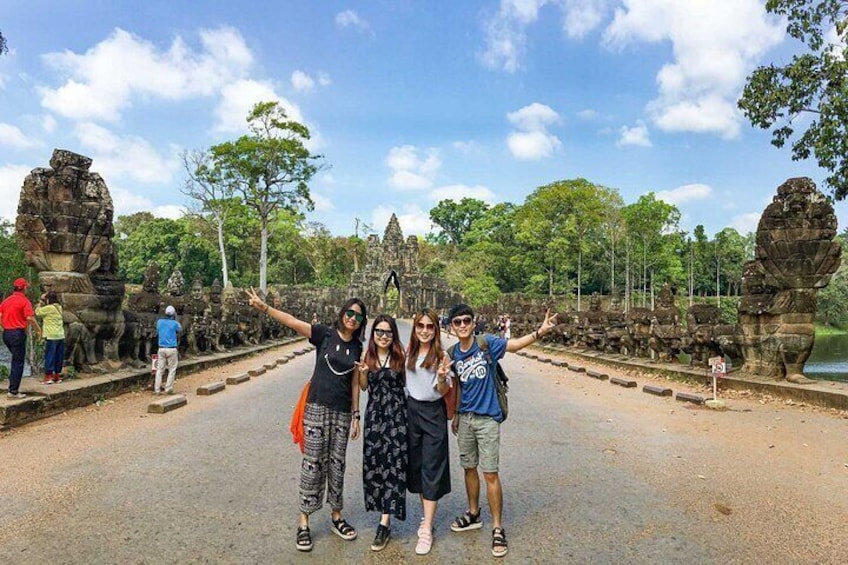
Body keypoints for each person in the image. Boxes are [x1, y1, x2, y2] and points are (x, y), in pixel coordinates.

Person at [246, 288, 366, 553]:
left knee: (337, 465)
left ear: (361, 322)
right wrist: (265, 308)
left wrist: (357, 415)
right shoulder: (324, 334)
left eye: (358, 317)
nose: (353, 319)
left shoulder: (358, 346)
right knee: (313, 464)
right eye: (350, 313)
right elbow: (292, 321)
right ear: (342, 313)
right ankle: (304, 522)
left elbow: (356, 383)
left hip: (342, 413)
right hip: (316, 409)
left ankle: (336, 516)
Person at [447, 303, 557, 558]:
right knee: (468, 467)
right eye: (457, 322)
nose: (462, 325)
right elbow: (458, 385)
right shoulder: (452, 353)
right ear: (452, 327)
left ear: (474, 323)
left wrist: (540, 331)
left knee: (490, 473)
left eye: (466, 320)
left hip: (487, 419)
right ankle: (473, 513)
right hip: (465, 418)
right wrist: (455, 415)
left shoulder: (486, 344)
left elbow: (515, 345)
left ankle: (497, 527)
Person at [355, 314, 407, 552]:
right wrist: (364, 372)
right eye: (379, 332)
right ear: (373, 334)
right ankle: (381, 510)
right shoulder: (369, 357)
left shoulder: (401, 357)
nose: (383, 336)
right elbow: (364, 386)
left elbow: (410, 384)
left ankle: (385, 521)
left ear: (393, 335)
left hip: (397, 418)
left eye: (387, 332)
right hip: (375, 418)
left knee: (395, 466)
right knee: (376, 467)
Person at [404, 308, 453, 555]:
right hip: (411, 412)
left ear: (436, 330)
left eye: (429, 326)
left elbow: (443, 391)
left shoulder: (441, 356)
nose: (424, 330)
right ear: (415, 329)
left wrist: (443, 378)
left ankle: (427, 528)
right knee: (417, 466)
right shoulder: (408, 352)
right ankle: (426, 517)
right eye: (420, 326)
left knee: (432, 467)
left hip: (433, 413)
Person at [0, 278, 42, 399]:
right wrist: (38, 330)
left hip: (7, 333)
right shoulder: (24, 301)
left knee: (15, 359)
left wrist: (4, 326)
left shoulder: (6, 301)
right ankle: (13, 391)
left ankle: (12, 386)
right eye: (27, 287)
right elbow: (29, 318)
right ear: (24, 288)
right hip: (17, 333)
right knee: (18, 362)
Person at [35, 291, 65, 385]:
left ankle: (48, 377)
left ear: (48, 300)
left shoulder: (48, 308)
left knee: (50, 356)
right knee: (58, 356)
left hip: (51, 336)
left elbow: (37, 312)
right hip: (60, 335)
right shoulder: (59, 307)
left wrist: (40, 301)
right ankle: (56, 376)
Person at [154, 305, 182, 395]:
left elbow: (158, 330)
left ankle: (157, 389)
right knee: (172, 369)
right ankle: (168, 388)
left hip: (161, 348)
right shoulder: (174, 323)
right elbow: (180, 329)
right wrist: (176, 318)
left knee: (159, 369)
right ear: (173, 314)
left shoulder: (159, 322)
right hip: (171, 349)